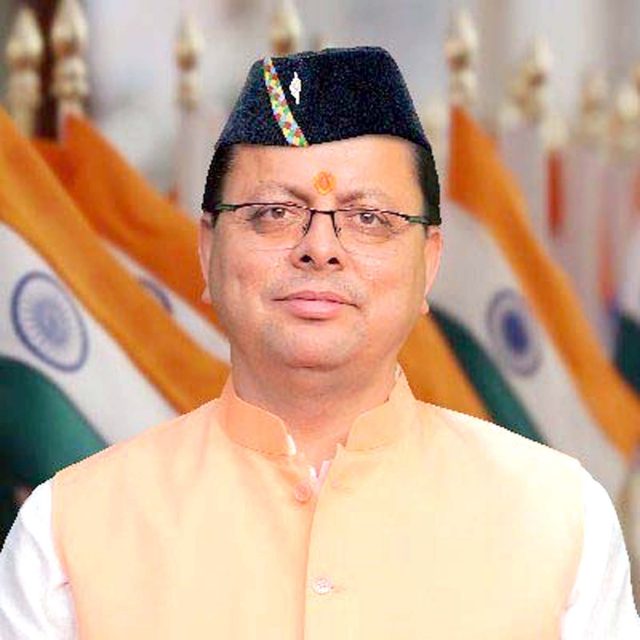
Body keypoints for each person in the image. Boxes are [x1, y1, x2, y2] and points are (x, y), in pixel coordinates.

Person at [1, 46, 638, 639]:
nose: (320, 248)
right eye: (274, 213)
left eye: (370, 218)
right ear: (207, 250)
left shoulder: (557, 518)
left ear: (428, 263)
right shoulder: (68, 532)